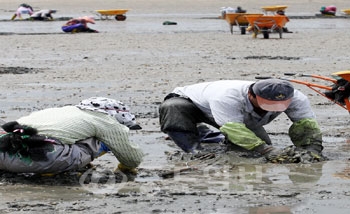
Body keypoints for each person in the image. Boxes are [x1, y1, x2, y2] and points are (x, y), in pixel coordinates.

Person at [159, 79, 324, 162]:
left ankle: (204, 132)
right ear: (251, 95)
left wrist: (312, 149)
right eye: (268, 104)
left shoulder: (297, 98)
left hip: (238, 117)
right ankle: (193, 148)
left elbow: (306, 125)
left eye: (279, 105)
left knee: (249, 152)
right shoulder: (227, 96)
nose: (273, 108)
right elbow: (233, 128)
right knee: (174, 107)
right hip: (193, 104)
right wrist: (267, 151)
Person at [0, 97, 143, 174]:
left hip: (5, 151)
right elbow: (132, 157)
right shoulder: (105, 120)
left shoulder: (61, 111)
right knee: (106, 140)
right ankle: (53, 171)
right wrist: (126, 167)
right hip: (45, 159)